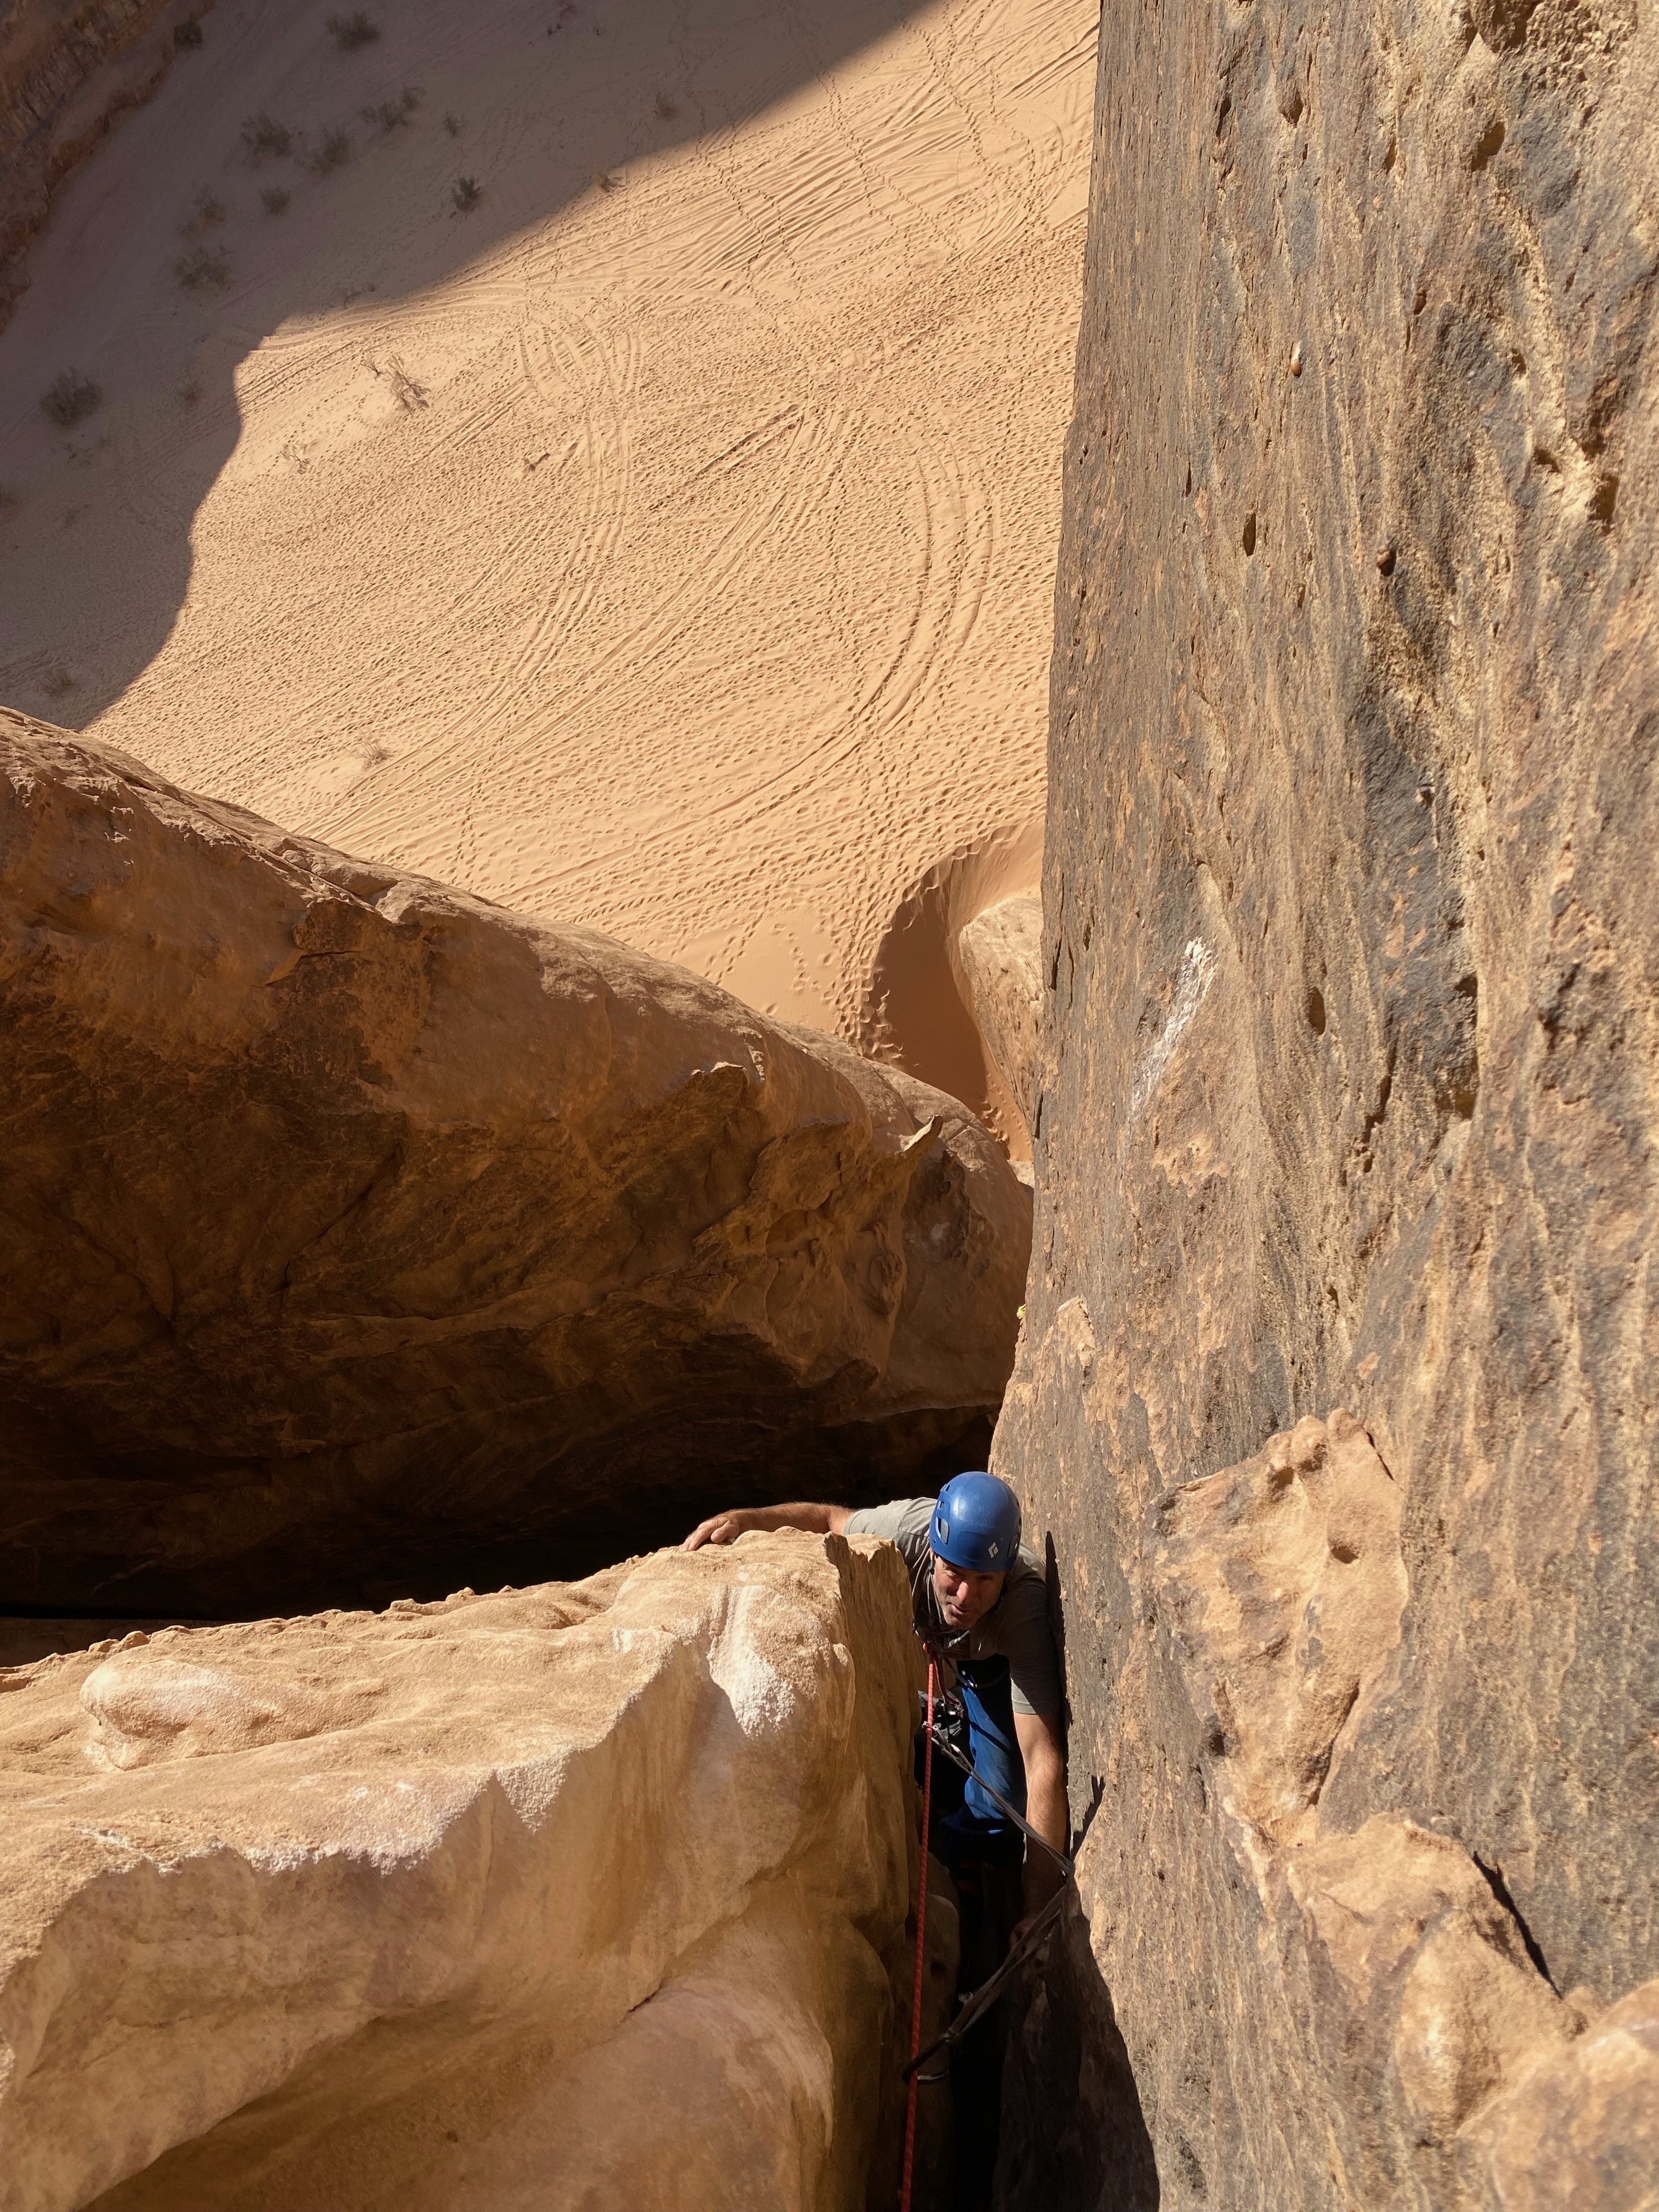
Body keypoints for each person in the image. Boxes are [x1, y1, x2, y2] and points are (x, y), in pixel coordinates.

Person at [682, 1470, 1067, 1932]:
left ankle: (964, 1850)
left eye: (985, 1578)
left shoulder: (1023, 1609)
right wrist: (748, 1519)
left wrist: (1038, 1909)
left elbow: (1042, 1762)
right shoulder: (906, 1532)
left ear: (1006, 1572)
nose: (966, 1595)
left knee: (1002, 1798)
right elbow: (829, 1520)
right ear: (934, 1551)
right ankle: (936, 1744)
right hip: (937, 1643)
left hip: (989, 1662)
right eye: (954, 1573)